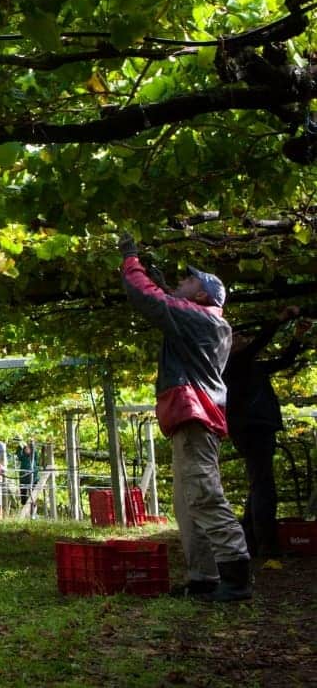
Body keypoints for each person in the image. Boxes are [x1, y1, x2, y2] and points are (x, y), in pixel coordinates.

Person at [119, 234, 252, 602]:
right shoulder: (205, 321)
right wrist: (167, 287)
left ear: (200, 297)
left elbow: (146, 297)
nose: (182, 280)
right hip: (190, 416)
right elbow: (170, 303)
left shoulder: (201, 320)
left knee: (203, 494)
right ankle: (204, 579)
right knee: (186, 501)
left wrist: (131, 258)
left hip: (195, 416)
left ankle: (236, 576)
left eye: (189, 281)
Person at [224, 306, 311, 558]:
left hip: (258, 427)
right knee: (264, 486)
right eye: (235, 338)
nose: (241, 339)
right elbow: (258, 343)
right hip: (251, 429)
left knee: (259, 483)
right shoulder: (232, 364)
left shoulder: (253, 367)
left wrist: (296, 338)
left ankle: (251, 538)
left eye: (242, 337)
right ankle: (267, 545)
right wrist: (278, 319)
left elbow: (284, 361)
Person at [15, 438, 39, 516]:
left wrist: (32, 444)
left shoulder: (33, 456)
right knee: (23, 496)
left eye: (28, 449)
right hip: (24, 479)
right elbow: (18, 453)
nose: (27, 450)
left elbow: (35, 453)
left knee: (34, 496)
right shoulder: (23, 457)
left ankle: (33, 513)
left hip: (34, 478)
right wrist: (20, 445)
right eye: (26, 449)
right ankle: (24, 510)